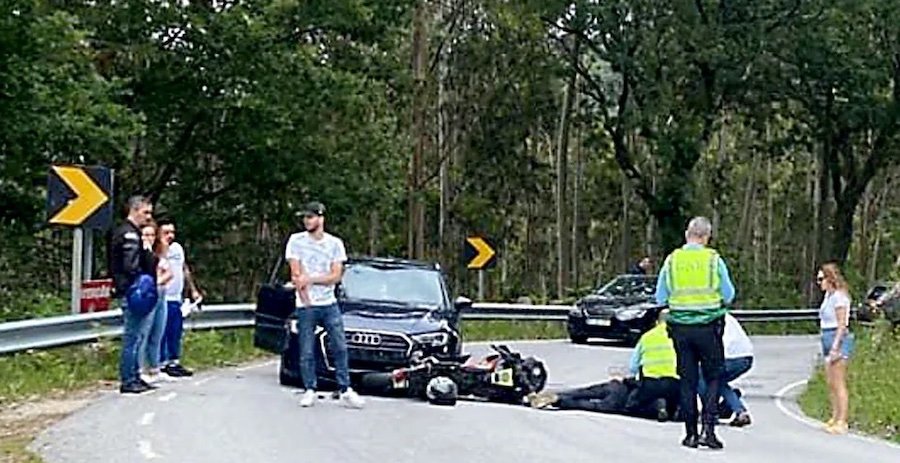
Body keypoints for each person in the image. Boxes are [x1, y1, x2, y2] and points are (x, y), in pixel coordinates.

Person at [656, 216, 735, 450]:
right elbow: (729, 294)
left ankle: (690, 434)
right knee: (712, 378)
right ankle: (708, 431)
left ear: (687, 234)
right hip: (709, 327)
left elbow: (660, 297)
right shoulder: (713, 260)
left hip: (680, 329)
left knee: (687, 381)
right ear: (706, 237)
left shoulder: (672, 261)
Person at [286, 201, 364, 409]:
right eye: (305, 217)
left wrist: (310, 280)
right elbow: (296, 273)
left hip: (329, 302)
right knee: (307, 349)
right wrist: (305, 297)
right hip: (306, 304)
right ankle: (310, 388)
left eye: (311, 217)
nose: (307, 221)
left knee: (339, 346)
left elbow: (335, 275)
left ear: (321, 219)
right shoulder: (296, 241)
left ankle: (345, 387)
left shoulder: (335, 244)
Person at [110, 196, 158, 394]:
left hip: (130, 289)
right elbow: (130, 265)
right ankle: (128, 379)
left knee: (137, 336)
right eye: (146, 212)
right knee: (132, 337)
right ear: (134, 210)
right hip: (132, 291)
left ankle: (135, 375)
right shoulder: (129, 234)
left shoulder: (129, 232)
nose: (148, 217)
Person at [158, 220, 203, 377]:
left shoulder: (177, 248)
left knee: (175, 330)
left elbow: (184, 269)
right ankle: (161, 363)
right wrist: (163, 249)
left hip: (176, 297)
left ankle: (174, 361)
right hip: (163, 296)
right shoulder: (156, 250)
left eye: (172, 232)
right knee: (162, 331)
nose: (170, 236)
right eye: (166, 232)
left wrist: (193, 290)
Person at [817, 263, 855, 435]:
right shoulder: (828, 296)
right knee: (830, 382)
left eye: (821, 279)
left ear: (830, 279)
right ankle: (834, 416)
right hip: (826, 335)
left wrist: (836, 346)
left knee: (839, 382)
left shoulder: (840, 297)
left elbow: (842, 324)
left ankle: (842, 420)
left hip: (836, 337)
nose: (819, 283)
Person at [624, 309, 681, 421]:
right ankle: (675, 409)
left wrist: (631, 378)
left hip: (650, 383)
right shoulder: (679, 336)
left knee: (633, 406)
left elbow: (633, 366)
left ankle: (658, 407)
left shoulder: (646, 337)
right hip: (673, 383)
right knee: (677, 398)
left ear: (656, 322)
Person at [698, 313, 753, 427]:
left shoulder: (713, 319)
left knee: (701, 376)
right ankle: (739, 410)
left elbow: (721, 343)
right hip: (746, 357)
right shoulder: (726, 317)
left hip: (731, 357)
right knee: (718, 382)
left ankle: (710, 412)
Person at [138, 222, 174, 384]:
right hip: (149, 293)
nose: (149, 238)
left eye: (152, 235)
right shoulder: (140, 255)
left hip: (161, 293)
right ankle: (140, 369)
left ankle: (154, 367)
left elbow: (169, 273)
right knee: (144, 332)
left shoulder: (156, 254)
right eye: (146, 235)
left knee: (157, 332)